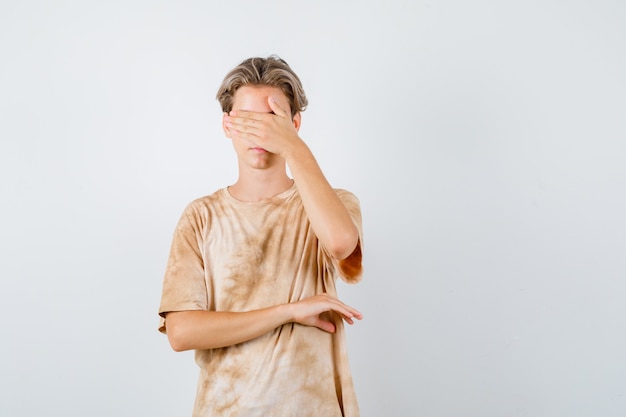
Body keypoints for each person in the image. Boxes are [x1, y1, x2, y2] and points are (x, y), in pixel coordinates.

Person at [158, 55, 364, 417]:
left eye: (272, 120)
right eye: (247, 120)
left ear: (295, 124)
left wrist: (292, 147)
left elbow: (339, 243)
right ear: (227, 124)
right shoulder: (201, 216)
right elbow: (182, 331)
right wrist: (287, 312)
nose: (260, 132)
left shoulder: (334, 203)